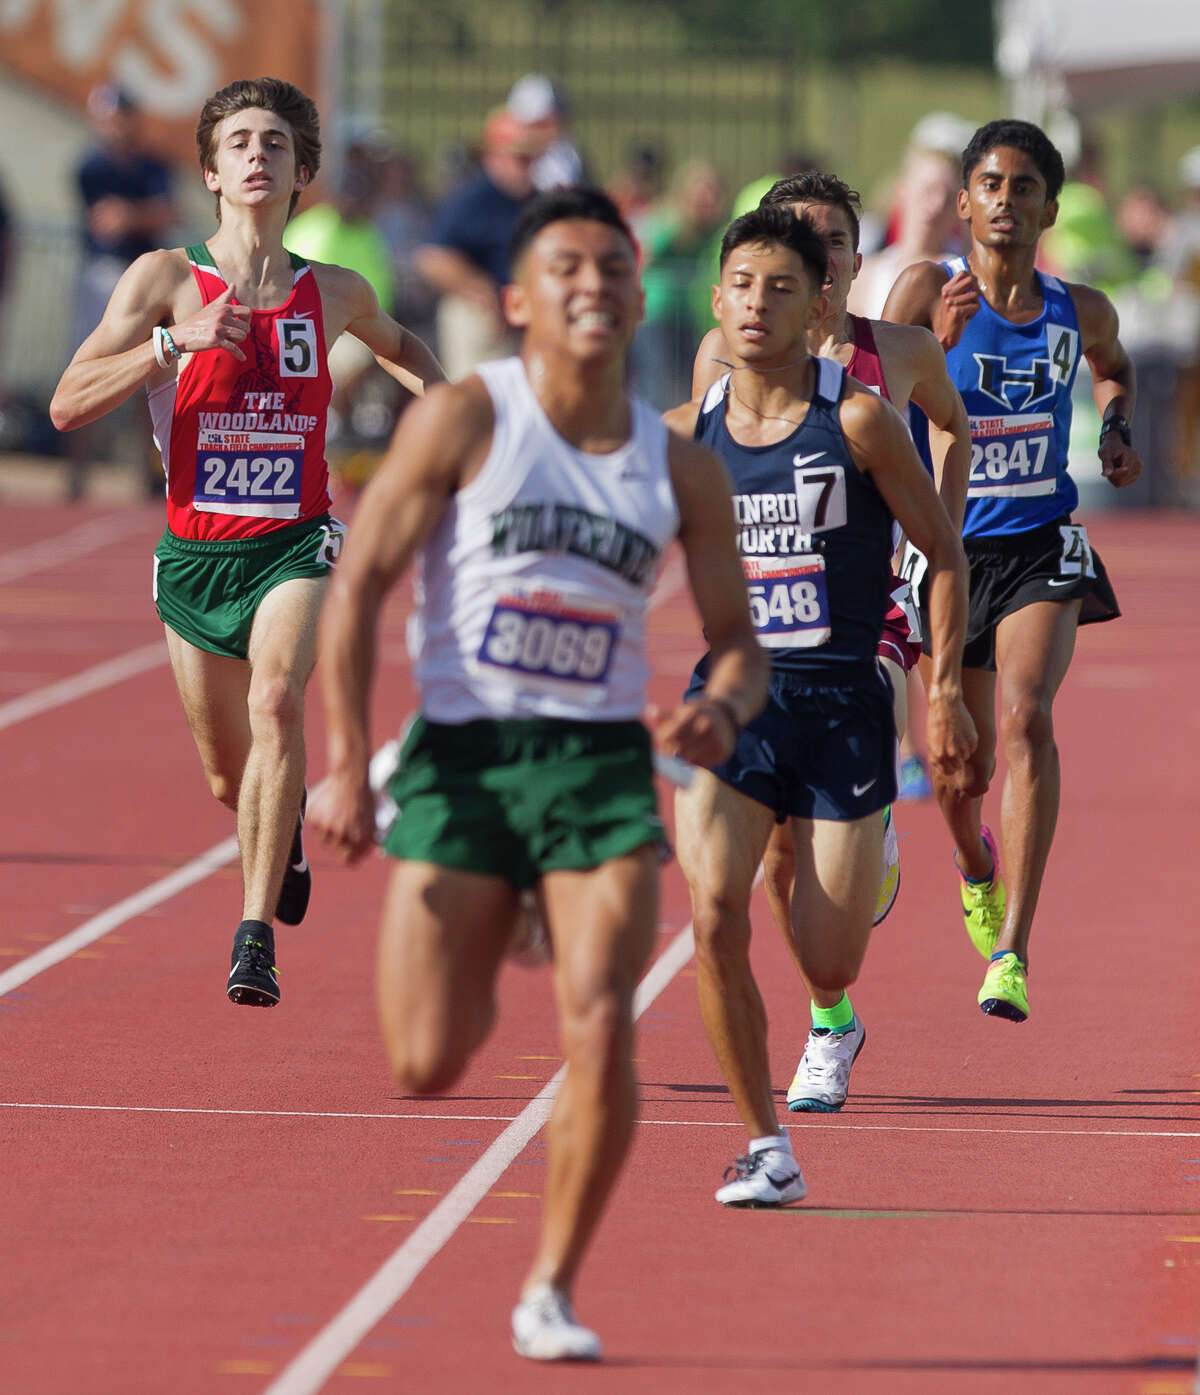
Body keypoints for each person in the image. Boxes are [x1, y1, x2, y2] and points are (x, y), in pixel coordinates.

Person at [308, 186, 766, 1359]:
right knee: (426, 1059)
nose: (593, 284)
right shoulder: (467, 417)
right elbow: (358, 589)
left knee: (603, 1018)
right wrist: (348, 764)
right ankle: (504, 907)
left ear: (639, 296)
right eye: (566, 266)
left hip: (598, 766)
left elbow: (739, 643)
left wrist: (718, 707)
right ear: (518, 300)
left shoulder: (679, 468)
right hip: (465, 758)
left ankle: (551, 1287)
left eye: (613, 266)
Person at [49, 76, 444, 1008]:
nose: (257, 155)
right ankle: (283, 820)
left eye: (275, 143)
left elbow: (402, 348)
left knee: (277, 699)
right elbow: (67, 403)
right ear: (211, 172)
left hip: (295, 542)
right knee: (232, 778)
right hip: (195, 557)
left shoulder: (334, 291)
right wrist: (171, 344)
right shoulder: (163, 280)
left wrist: (460, 418)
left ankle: (253, 935)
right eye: (238, 143)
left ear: (302, 172)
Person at [668, 204, 973, 1206]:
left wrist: (945, 693)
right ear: (717, 302)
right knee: (714, 913)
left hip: (843, 703)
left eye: (782, 288)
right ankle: (768, 1146)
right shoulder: (686, 432)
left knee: (827, 954)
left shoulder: (857, 419)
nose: (758, 304)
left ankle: (856, 897)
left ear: (817, 306)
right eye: (742, 285)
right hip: (734, 698)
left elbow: (943, 552)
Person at [882, 118, 1143, 1023]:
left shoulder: (1081, 309)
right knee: (960, 768)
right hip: (947, 551)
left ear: (1050, 209)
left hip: (1041, 541)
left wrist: (1116, 427)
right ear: (963, 203)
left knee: (1028, 715)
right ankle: (973, 863)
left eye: (1023, 187)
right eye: (990, 185)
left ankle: (1012, 951)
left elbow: (1114, 367)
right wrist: (931, 345)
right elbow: (861, 395)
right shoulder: (927, 290)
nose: (1005, 201)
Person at [68, 83, 179, 500]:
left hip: (144, 279)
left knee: (149, 371)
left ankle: (147, 475)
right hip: (102, 276)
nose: (114, 126)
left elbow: (163, 213)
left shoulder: (154, 165)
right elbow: (105, 220)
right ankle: (77, 476)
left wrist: (133, 215)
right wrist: (139, 215)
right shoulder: (91, 166)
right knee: (86, 370)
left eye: (120, 117)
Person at [414, 108, 542, 380]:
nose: (526, 166)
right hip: (479, 315)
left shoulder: (536, 201)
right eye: (519, 158)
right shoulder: (472, 200)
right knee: (479, 392)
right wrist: (481, 290)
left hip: (523, 316)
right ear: (493, 155)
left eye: (530, 158)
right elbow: (433, 259)